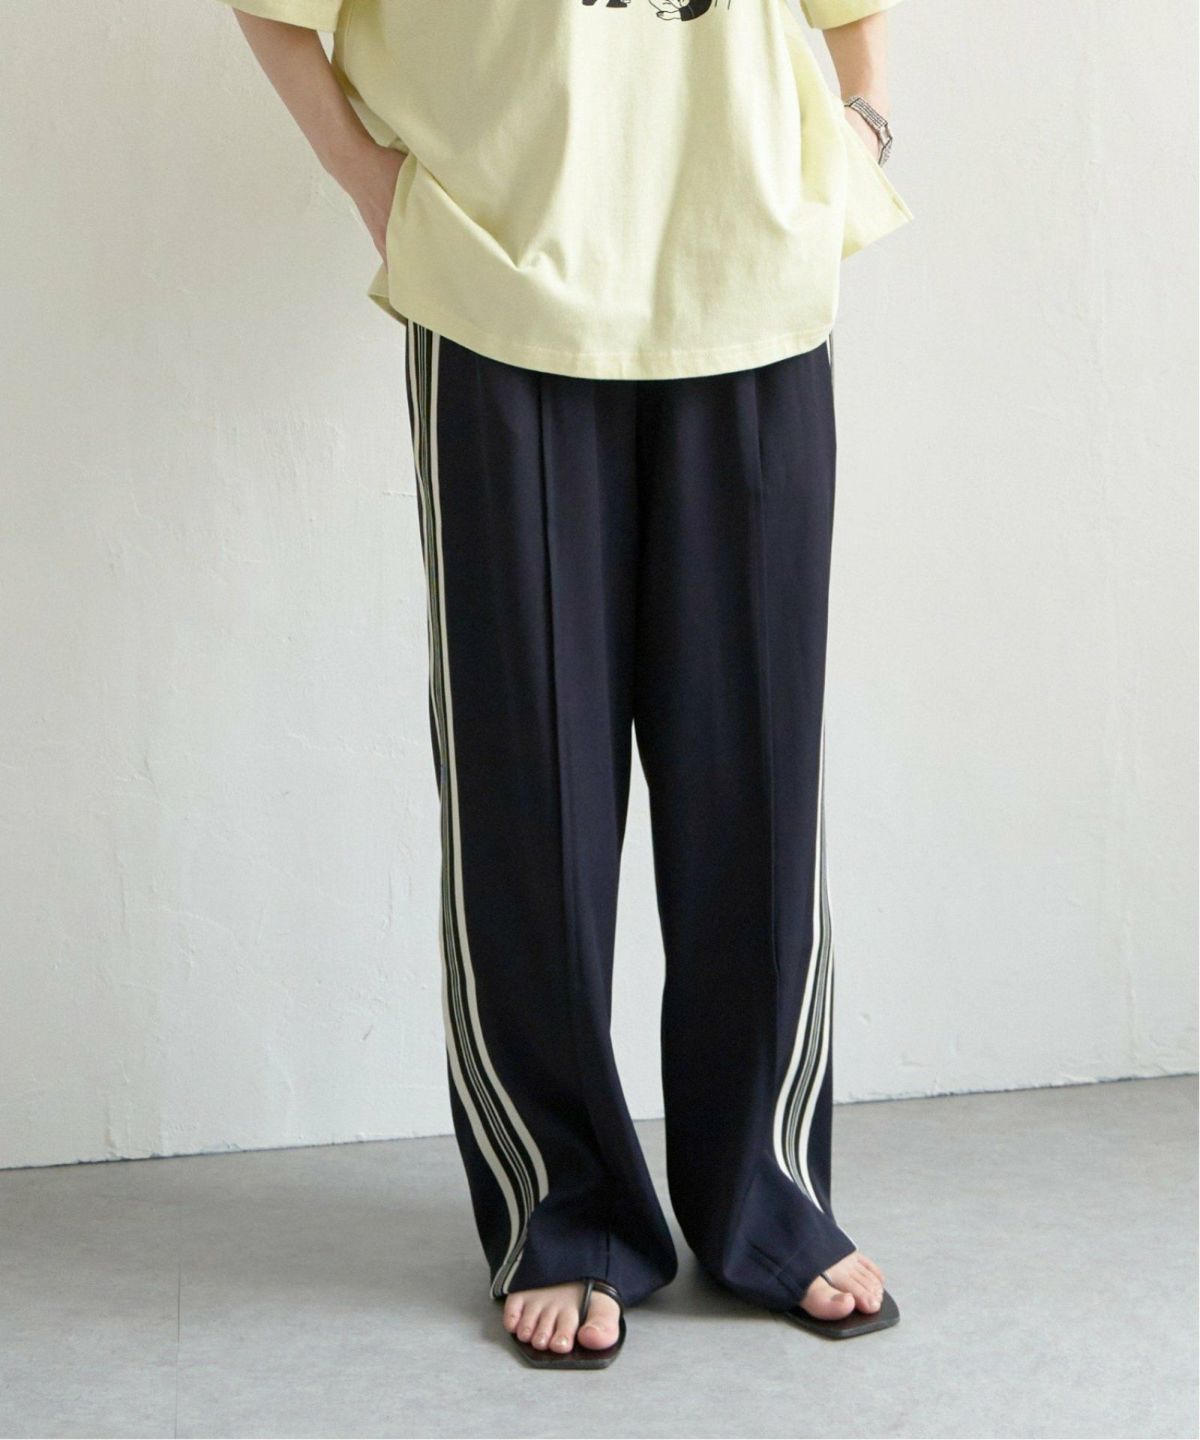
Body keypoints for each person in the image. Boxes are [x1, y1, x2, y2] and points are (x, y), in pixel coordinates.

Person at [218, 0, 912, 1369]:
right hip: (503, 286)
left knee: (760, 785)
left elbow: (853, 11)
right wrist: (375, 188)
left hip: (755, 271)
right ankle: (563, 1202)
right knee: (528, 782)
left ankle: (767, 1190)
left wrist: (859, 129)